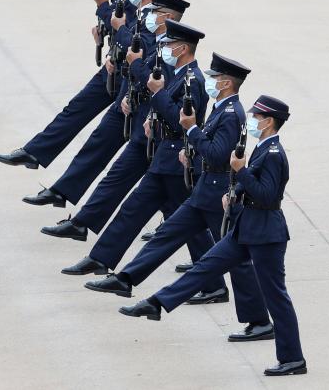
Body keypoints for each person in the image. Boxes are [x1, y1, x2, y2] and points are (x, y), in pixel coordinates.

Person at [84, 54, 276, 341]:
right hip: (205, 189)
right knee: (167, 234)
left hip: (218, 193)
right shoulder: (222, 109)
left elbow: (218, 154)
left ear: (226, 83)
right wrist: (192, 150)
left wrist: (192, 130)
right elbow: (211, 148)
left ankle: (259, 321)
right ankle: (126, 279)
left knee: (236, 259)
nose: (209, 82)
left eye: (214, 78)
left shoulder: (231, 113)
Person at [118, 95, 307, 377]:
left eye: (256, 118)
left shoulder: (274, 153)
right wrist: (235, 192)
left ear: (269, 122)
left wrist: (241, 172)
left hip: (266, 234)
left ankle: (293, 359)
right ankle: (157, 303)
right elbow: (254, 184)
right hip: (247, 227)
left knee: (276, 297)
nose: (252, 121)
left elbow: (267, 195)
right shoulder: (263, 148)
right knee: (206, 266)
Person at [55, 20, 223, 301]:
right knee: (135, 210)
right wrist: (151, 116)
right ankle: (102, 259)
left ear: (182, 49)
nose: (165, 48)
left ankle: (213, 284)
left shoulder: (193, 81)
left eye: (170, 44)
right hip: (164, 157)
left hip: (176, 162)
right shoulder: (179, 75)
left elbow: (182, 122)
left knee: (189, 227)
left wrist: (158, 94)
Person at [20, 0, 171, 208]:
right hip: (127, 90)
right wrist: (114, 53)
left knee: (153, 169)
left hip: (141, 97)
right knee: (100, 144)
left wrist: (105, 10)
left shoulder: (157, 23)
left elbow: (138, 49)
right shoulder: (144, 15)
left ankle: (182, 219)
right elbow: (128, 44)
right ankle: (62, 192)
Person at [0, 0, 145, 172]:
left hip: (126, 71)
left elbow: (128, 29)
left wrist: (102, 6)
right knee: (76, 108)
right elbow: (117, 27)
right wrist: (103, 32)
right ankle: (34, 152)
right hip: (113, 65)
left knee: (110, 135)